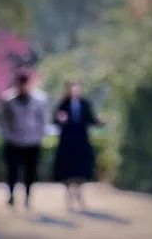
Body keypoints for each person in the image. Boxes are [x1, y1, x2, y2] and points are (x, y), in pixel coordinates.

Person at [0, 72, 47, 207]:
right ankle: (11, 194)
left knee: (31, 171)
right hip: (13, 142)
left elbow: (42, 120)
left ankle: (27, 196)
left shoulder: (39, 99)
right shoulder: (8, 99)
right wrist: (8, 136)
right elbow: (3, 121)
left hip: (32, 142)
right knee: (12, 170)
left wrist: (39, 136)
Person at [52, 80, 101, 210]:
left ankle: (78, 192)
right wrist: (59, 119)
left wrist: (100, 121)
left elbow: (91, 119)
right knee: (67, 169)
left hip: (81, 140)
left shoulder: (85, 103)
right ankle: (68, 194)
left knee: (81, 169)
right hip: (67, 141)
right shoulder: (63, 104)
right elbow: (54, 119)